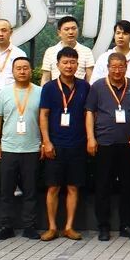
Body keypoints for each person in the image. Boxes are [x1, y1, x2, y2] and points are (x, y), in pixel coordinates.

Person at [87, 53, 130, 241]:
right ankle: (103, 226)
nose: (117, 70)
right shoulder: (97, 86)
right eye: (113, 67)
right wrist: (91, 138)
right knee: (103, 186)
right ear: (108, 67)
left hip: (129, 143)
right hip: (104, 143)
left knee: (128, 186)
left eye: (121, 66)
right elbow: (90, 113)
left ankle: (126, 225)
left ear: (126, 67)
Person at [39, 47, 91, 241]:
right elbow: (43, 115)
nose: (69, 66)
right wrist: (46, 141)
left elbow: (88, 115)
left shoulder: (84, 87)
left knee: (73, 187)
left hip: (77, 144)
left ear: (77, 65)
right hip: (55, 144)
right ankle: (52, 227)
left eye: (72, 62)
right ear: (58, 65)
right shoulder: (49, 88)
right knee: (53, 187)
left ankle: (69, 227)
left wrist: (89, 138)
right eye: (65, 62)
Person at [0, 56, 42, 241]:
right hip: (9, 148)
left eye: (25, 68)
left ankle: (29, 226)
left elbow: (44, 119)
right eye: (18, 68)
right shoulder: (4, 93)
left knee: (30, 191)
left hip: (32, 148)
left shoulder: (40, 92)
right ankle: (7, 226)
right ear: (12, 71)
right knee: (6, 191)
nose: (22, 71)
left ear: (31, 70)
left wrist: (44, 142)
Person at [90, 20, 130, 90]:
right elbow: (95, 85)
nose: (120, 36)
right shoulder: (104, 58)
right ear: (114, 36)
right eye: (118, 33)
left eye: (125, 33)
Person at [40, 16, 95, 83]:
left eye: (74, 28)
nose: (71, 32)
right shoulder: (50, 52)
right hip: (56, 88)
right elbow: (45, 79)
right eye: (66, 29)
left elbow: (90, 78)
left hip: (79, 88)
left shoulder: (86, 51)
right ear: (59, 33)